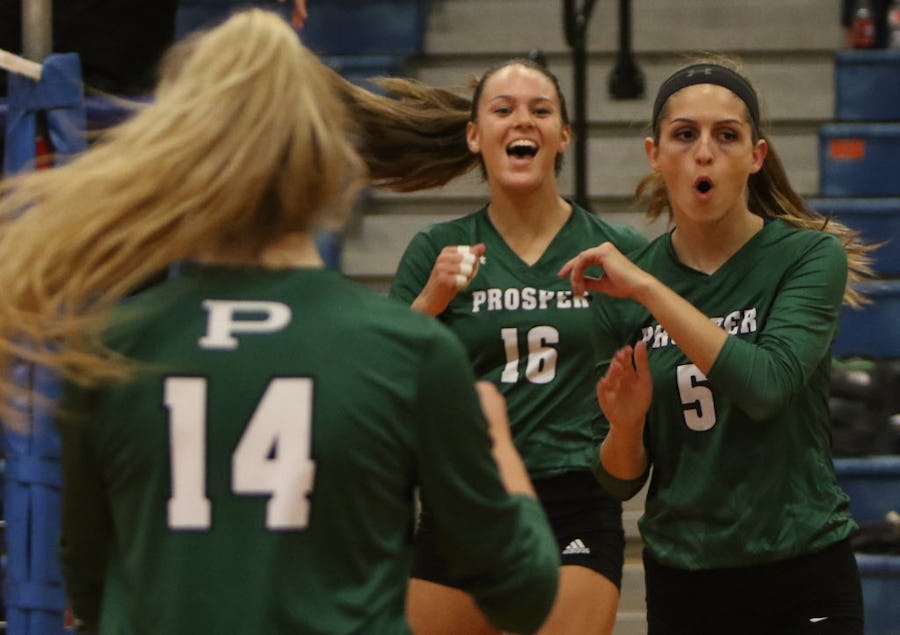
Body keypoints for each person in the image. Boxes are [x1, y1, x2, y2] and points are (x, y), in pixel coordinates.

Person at [0, 10, 560, 634]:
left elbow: (90, 588)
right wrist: (493, 433)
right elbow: (524, 593)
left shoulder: (107, 351)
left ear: (180, 159)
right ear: (333, 165)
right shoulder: (409, 353)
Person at [560, 55, 874, 635]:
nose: (704, 152)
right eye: (684, 135)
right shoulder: (623, 292)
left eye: (726, 135)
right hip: (686, 577)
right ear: (655, 154)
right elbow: (619, 480)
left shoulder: (808, 256)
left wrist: (649, 290)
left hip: (800, 567)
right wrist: (625, 428)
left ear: (756, 155)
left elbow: (766, 386)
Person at [358, 58, 648, 635]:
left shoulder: (616, 252)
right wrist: (431, 301)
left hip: (575, 498)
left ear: (564, 136)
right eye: (503, 109)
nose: (523, 121)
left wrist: (628, 424)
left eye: (541, 110)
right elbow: (379, 382)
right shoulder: (437, 250)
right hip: (462, 497)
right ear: (474, 135)